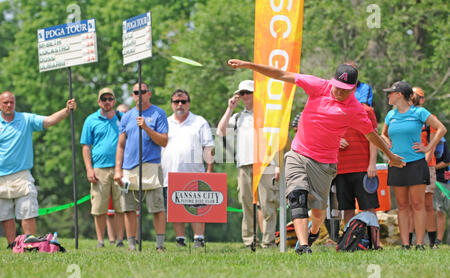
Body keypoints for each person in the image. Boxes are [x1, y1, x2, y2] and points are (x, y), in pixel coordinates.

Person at [227, 59, 406, 255]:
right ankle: (304, 246)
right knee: (297, 196)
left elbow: (371, 134)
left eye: (346, 89)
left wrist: (390, 156)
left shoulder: (355, 109)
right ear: (332, 81)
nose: (340, 92)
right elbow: (281, 74)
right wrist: (251, 66)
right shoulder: (318, 86)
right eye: (338, 87)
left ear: (354, 88)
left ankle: (312, 232)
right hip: (299, 153)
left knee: (319, 211)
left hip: (325, 163)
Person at [0, 91, 77, 249]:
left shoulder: (25, 119)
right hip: (1, 177)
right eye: (5, 102)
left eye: (11, 102)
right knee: (6, 215)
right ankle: (12, 245)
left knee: (27, 212)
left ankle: (31, 244)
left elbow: (48, 121)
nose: (9, 105)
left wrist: (66, 110)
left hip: (22, 175)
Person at [381, 81, 447, 250]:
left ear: (400, 95)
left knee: (418, 205)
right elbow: (383, 134)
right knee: (402, 206)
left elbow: (441, 129)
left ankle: (419, 244)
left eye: (391, 93)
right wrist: (388, 144)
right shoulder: (390, 115)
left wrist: (428, 148)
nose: (388, 95)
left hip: (416, 164)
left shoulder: (419, 112)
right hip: (396, 164)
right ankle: (405, 244)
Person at [217, 80, 280, 249]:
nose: (244, 96)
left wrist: (278, 165)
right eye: (241, 93)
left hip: (266, 164)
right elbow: (220, 131)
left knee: (268, 203)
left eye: (247, 92)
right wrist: (230, 108)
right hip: (244, 164)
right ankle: (250, 240)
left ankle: (269, 242)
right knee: (246, 203)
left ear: (255, 94)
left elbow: (276, 141)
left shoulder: (267, 114)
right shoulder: (238, 117)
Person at [114, 82, 168, 251]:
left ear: (149, 94)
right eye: (136, 92)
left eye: (142, 91)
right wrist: (117, 170)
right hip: (129, 168)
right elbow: (121, 145)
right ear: (132, 95)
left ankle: (159, 245)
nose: (139, 95)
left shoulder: (159, 113)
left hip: (151, 165)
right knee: (129, 209)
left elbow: (164, 141)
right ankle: (131, 245)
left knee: (157, 208)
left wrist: (146, 127)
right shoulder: (127, 116)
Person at [161, 89, 215, 248]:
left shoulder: (199, 121)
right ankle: (180, 239)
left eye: (183, 101)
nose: (180, 104)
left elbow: (208, 147)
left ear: (189, 104)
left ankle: (199, 238)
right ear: (171, 104)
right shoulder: (164, 122)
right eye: (176, 102)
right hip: (169, 173)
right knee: (175, 208)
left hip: (195, 173)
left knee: (196, 208)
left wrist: (209, 170)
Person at [336, 61, 380, 227]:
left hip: (363, 167)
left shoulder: (366, 110)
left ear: (355, 88)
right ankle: (350, 239)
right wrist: (336, 140)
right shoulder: (333, 110)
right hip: (341, 168)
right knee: (347, 209)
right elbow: (324, 135)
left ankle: (373, 239)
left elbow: (374, 138)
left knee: (369, 207)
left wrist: (372, 164)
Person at [80, 88, 124, 248]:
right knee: (98, 208)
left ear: (114, 101)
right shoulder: (91, 120)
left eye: (110, 99)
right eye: (104, 99)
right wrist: (88, 169)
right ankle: (100, 241)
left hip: (121, 169)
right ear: (99, 102)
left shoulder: (122, 118)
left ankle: (120, 240)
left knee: (121, 207)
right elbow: (86, 146)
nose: (107, 102)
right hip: (99, 169)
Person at [411, 87, 439, 248]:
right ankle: (409, 241)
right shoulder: (405, 116)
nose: (415, 99)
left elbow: (432, 144)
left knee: (427, 204)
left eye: (418, 97)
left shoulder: (430, 118)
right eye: (413, 96)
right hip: (410, 165)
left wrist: (424, 162)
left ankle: (433, 241)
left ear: (423, 100)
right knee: (410, 203)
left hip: (427, 165)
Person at [105, 103, 130, 246]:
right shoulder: (112, 126)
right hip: (112, 169)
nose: (123, 115)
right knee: (110, 209)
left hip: (128, 168)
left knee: (128, 207)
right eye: (121, 113)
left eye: (126, 112)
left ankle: (131, 237)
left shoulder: (132, 126)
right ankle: (112, 239)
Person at [433, 137, 449, 246]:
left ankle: (438, 241)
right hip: (424, 179)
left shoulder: (442, 143)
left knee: (441, 210)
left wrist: (431, 168)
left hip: (441, 180)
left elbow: (447, 161)